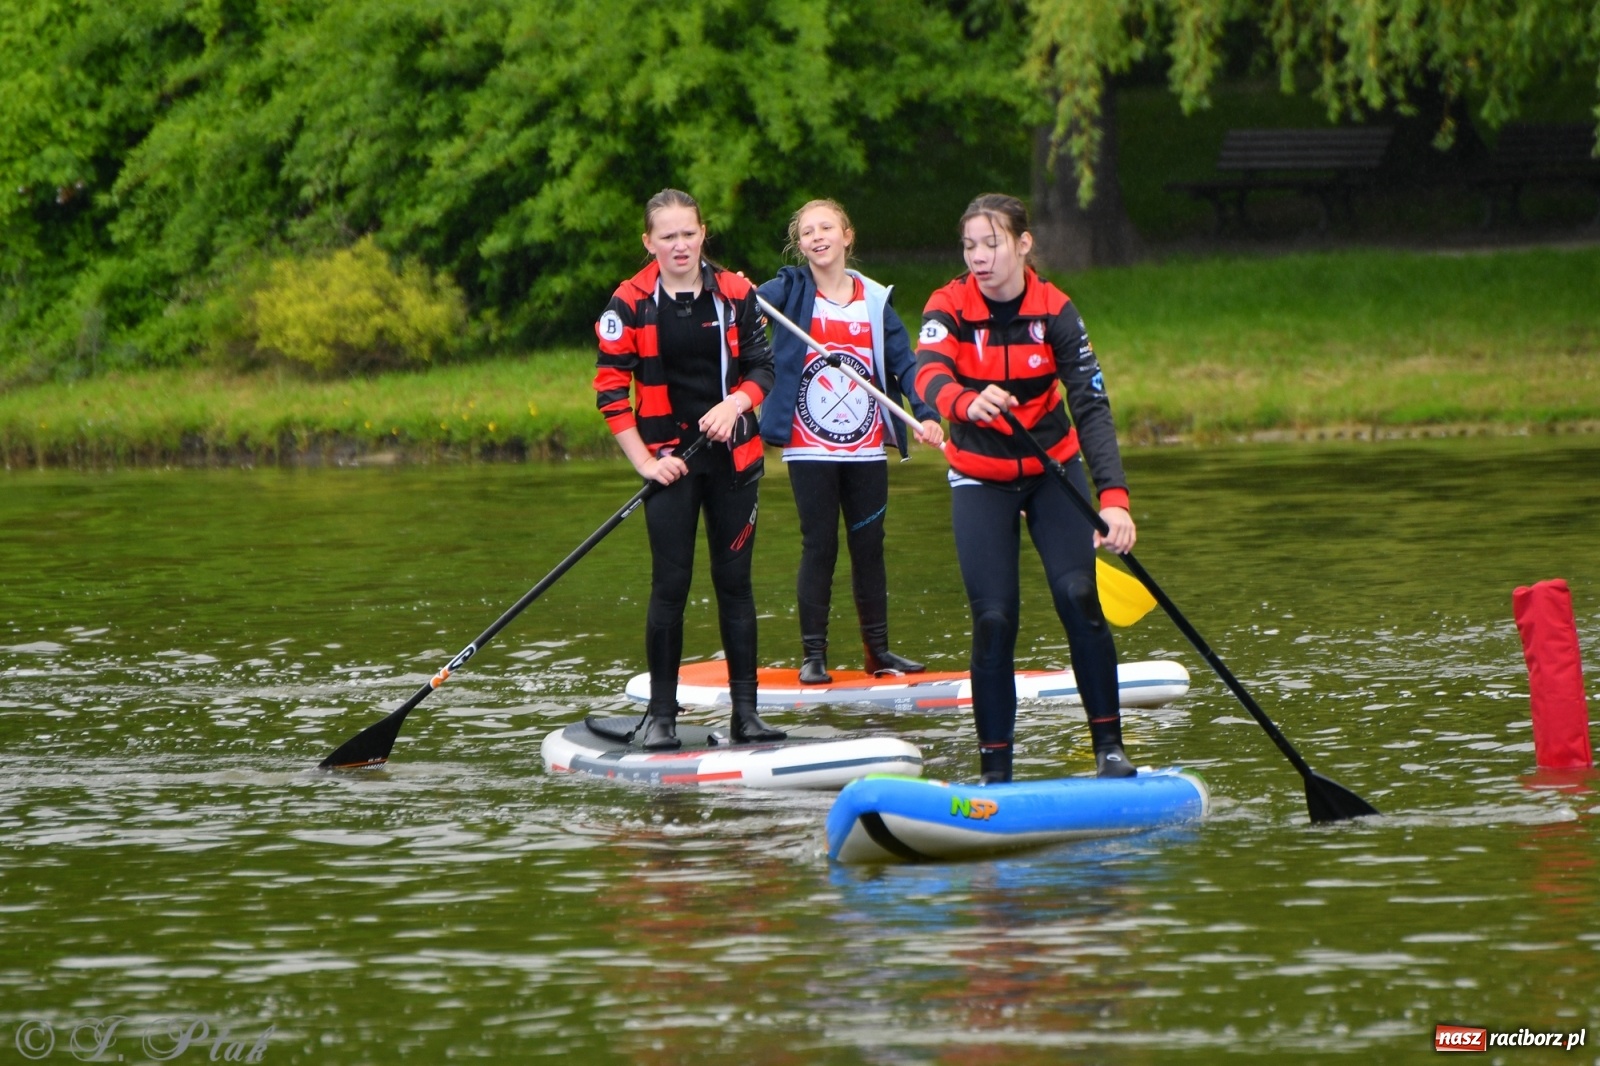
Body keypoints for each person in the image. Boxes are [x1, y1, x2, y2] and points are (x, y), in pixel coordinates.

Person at [913, 193, 1138, 783]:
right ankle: (996, 771)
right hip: (979, 476)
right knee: (994, 619)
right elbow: (928, 372)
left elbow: (1090, 405)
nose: (979, 258)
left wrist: (1113, 500)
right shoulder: (949, 305)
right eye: (969, 246)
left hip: (1051, 472)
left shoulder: (1056, 310)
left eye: (991, 244)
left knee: (1078, 598)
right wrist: (966, 401)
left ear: (1022, 244)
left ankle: (1109, 749)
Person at [594, 188, 786, 750]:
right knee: (670, 587)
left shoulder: (734, 293)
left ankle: (746, 715)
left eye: (689, 233)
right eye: (668, 236)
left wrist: (736, 404)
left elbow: (762, 366)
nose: (680, 245)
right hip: (670, 464)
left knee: (736, 586)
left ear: (704, 234)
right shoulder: (627, 303)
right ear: (649, 242)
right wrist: (647, 464)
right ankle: (661, 718)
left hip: (734, 460)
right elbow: (610, 392)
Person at [756, 199, 945, 684]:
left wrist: (926, 413)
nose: (817, 237)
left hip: (865, 447)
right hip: (809, 446)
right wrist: (736, 288)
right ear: (800, 246)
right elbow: (743, 303)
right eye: (807, 232)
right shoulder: (790, 290)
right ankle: (813, 655)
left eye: (826, 227)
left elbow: (905, 364)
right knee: (819, 545)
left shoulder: (875, 299)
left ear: (847, 235)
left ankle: (877, 652)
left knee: (870, 545)